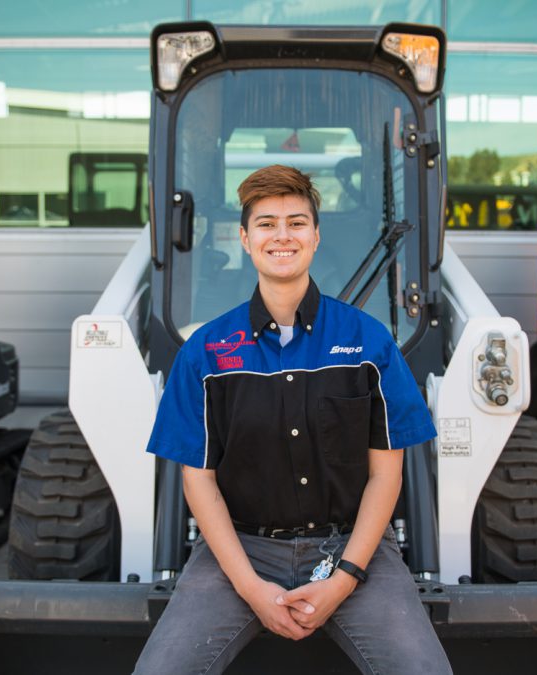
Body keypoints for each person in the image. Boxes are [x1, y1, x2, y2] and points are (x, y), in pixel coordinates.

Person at [134, 164, 452, 674]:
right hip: (239, 551)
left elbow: (385, 475)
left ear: (316, 236)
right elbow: (200, 483)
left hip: (352, 548)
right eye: (266, 223)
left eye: (296, 222)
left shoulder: (370, 343)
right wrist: (250, 589)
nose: (282, 235)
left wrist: (345, 578)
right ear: (244, 238)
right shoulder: (206, 352)